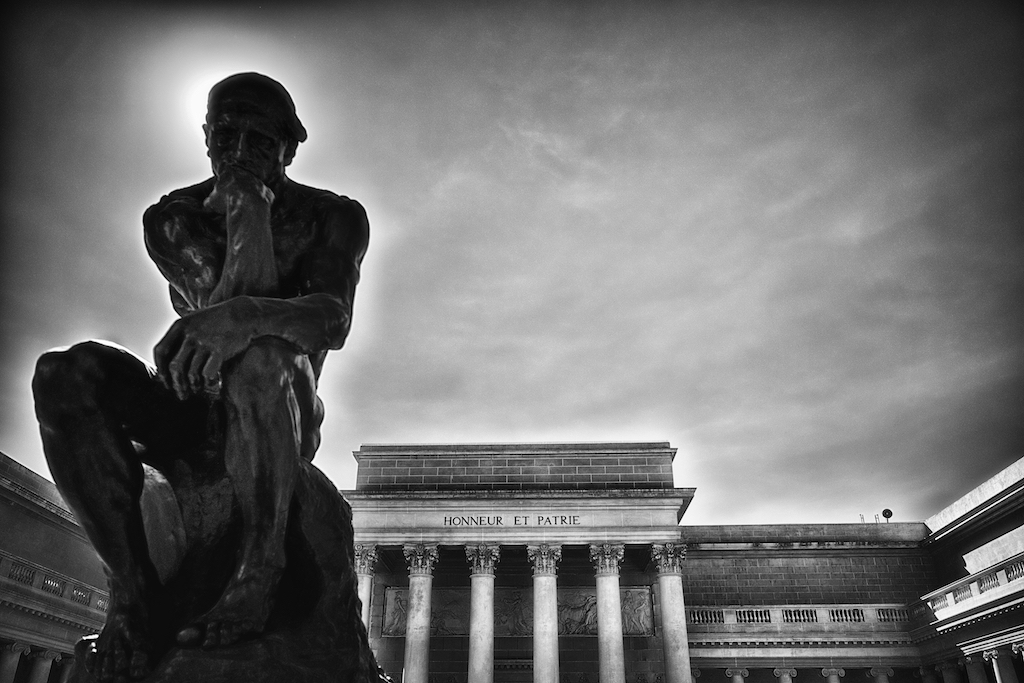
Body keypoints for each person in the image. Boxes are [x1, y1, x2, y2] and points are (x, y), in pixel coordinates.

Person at [32, 72, 369, 681]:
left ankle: (259, 569)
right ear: (206, 134)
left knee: (261, 354)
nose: (238, 152)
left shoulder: (333, 216)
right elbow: (217, 313)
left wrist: (250, 222)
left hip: (281, 400)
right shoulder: (173, 217)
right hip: (188, 400)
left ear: (289, 148)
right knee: (64, 372)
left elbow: (329, 320)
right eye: (227, 135)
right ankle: (132, 591)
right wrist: (244, 214)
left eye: (260, 141)